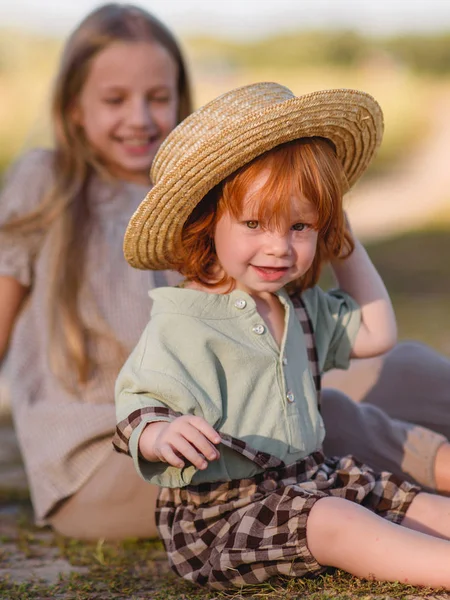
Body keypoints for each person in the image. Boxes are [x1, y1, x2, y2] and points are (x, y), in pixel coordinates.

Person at [1, 2, 449, 544]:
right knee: (329, 416)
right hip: (121, 450)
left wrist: (324, 215)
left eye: (159, 98)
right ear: (74, 107)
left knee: (404, 366)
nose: (140, 117)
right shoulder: (46, 180)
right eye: (115, 100)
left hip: (225, 404)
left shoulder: (214, 188)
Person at [113, 82, 450, 590]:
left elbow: (378, 332)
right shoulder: (184, 320)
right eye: (253, 222)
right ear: (207, 224)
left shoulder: (298, 308)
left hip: (309, 480)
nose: (278, 248)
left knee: (405, 499)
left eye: (300, 226)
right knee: (337, 520)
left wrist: (344, 239)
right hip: (224, 514)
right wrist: (161, 434)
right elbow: (135, 409)